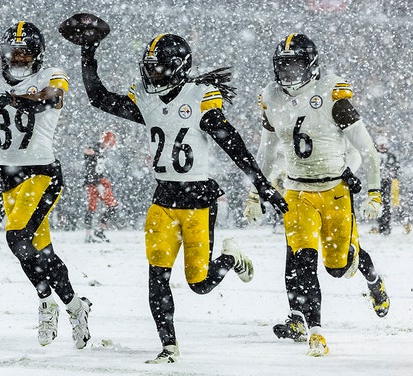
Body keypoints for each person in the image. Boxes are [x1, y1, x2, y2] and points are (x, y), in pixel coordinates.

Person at [74, 28, 288, 363]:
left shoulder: (199, 94)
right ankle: (169, 346)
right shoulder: (145, 97)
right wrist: (88, 55)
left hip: (198, 199)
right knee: (157, 274)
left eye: (158, 66)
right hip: (163, 198)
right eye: (149, 66)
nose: (151, 73)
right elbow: (99, 98)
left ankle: (230, 257)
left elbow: (229, 139)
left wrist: (261, 183)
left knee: (199, 283)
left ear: (177, 66)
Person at [244, 33, 390, 356]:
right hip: (297, 191)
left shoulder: (330, 94)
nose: (288, 74)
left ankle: (374, 279)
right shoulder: (272, 97)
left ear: (310, 65)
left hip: (335, 189)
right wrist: (255, 194)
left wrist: (375, 193)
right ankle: (316, 332)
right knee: (303, 259)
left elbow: (367, 149)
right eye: (283, 66)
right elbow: (266, 153)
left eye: (295, 65)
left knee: (340, 265)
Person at [0, 21, 92, 349]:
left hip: (42, 173)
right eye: (12, 52)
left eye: (25, 51)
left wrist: (12, 100)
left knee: (17, 238)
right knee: (39, 250)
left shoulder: (52, 75)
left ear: (38, 53)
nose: (17, 58)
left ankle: (46, 303)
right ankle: (75, 306)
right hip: (7, 176)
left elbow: (50, 98)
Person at [83, 130, 119, 243]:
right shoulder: (95, 148)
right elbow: (88, 156)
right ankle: (90, 234)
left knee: (111, 207)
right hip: (94, 183)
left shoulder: (101, 150)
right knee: (93, 208)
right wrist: (97, 183)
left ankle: (99, 231)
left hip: (99, 181)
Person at [373, 136, 401, 235]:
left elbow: (396, 168)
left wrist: (392, 173)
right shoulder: (374, 156)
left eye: (384, 145)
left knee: (387, 204)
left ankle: (386, 225)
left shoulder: (391, 156)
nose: (383, 147)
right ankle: (381, 224)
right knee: (378, 203)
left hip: (388, 182)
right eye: (381, 145)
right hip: (376, 183)